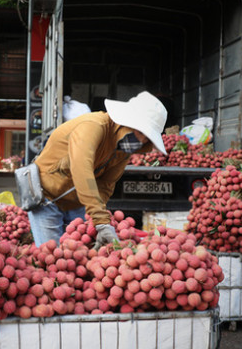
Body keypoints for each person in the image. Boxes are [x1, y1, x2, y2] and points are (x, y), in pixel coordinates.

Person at [27, 91, 168, 248]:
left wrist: (97, 217)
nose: (141, 141)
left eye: (147, 138)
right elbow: (82, 169)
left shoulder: (123, 148)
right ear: (127, 121)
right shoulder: (93, 126)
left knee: (79, 257)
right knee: (51, 256)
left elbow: (106, 184)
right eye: (140, 132)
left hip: (77, 203)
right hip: (47, 198)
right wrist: (100, 220)